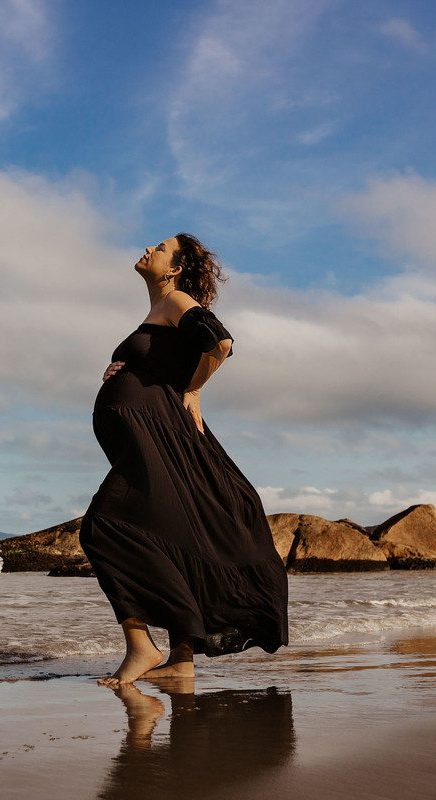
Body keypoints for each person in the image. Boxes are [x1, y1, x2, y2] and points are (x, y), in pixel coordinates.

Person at [82, 233, 288, 687]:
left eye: (160, 248)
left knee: (103, 526)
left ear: (174, 268)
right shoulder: (159, 309)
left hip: (159, 436)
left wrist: (193, 390)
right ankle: (182, 660)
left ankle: (141, 647)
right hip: (147, 436)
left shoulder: (175, 300)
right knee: (171, 536)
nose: (148, 250)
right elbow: (166, 362)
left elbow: (220, 341)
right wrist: (123, 369)